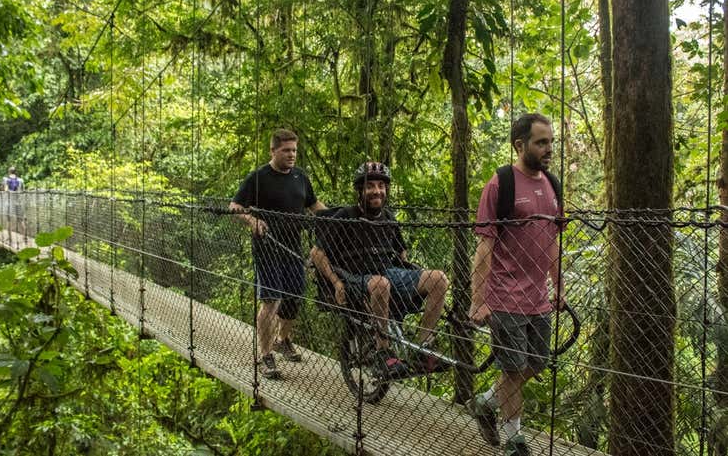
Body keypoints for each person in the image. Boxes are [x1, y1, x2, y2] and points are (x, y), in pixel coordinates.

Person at [469, 113, 566, 456]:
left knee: (535, 363)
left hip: (539, 296)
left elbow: (552, 241)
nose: (549, 148)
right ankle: (514, 439)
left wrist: (560, 288)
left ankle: (485, 402)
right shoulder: (500, 184)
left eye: (551, 141)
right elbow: (485, 245)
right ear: (520, 145)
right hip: (505, 295)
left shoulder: (553, 184)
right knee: (512, 370)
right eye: (541, 142)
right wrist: (478, 301)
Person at [311, 161, 450, 378]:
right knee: (380, 283)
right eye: (370, 186)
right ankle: (382, 352)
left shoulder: (389, 218)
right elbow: (317, 254)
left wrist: (412, 273)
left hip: (388, 272)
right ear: (360, 190)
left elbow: (401, 254)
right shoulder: (345, 216)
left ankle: (424, 349)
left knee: (438, 278)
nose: (377, 191)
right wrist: (336, 282)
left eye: (381, 186)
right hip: (354, 276)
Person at [229, 129, 325, 379]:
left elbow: (314, 205)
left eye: (294, 150)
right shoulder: (258, 177)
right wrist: (252, 221)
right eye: (286, 150)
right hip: (267, 248)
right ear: (273, 151)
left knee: (294, 296)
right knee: (271, 300)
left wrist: (337, 219)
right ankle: (266, 354)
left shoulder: (300, 177)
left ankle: (283, 340)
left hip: (293, 247)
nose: (292, 155)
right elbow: (235, 206)